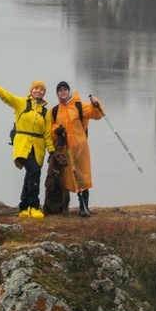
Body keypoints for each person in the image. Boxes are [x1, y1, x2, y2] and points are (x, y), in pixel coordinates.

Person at [0, 72, 55, 218]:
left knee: (30, 174)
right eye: (36, 88)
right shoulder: (21, 103)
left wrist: (51, 151)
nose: (39, 91)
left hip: (38, 147)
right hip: (22, 144)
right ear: (31, 91)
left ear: (44, 93)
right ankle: (34, 206)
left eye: (41, 89)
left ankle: (23, 207)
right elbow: (4, 95)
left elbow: (47, 134)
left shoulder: (45, 112)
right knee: (34, 171)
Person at [50, 81, 103, 217]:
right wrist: (56, 130)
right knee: (65, 178)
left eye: (65, 89)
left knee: (82, 177)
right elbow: (50, 128)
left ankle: (83, 207)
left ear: (69, 91)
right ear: (57, 93)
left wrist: (96, 104)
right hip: (65, 151)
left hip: (80, 148)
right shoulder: (55, 111)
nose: (63, 92)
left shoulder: (79, 106)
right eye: (60, 90)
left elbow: (96, 115)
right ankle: (62, 207)